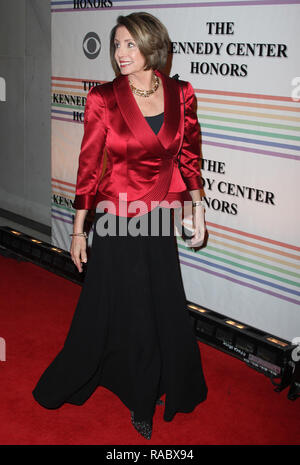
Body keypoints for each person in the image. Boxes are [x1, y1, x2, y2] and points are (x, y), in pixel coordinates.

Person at [32, 12, 208, 440]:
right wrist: (77, 231)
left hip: (160, 216)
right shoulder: (103, 99)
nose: (120, 53)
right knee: (128, 309)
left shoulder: (180, 93)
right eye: (116, 45)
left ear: (152, 45)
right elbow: (88, 168)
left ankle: (160, 378)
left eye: (130, 44)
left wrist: (197, 210)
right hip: (117, 218)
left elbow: (189, 158)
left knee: (161, 302)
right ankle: (140, 394)